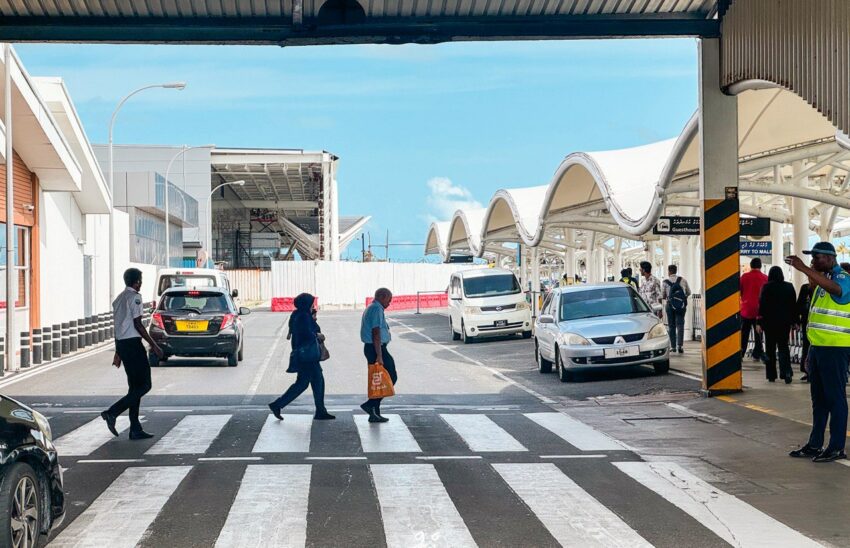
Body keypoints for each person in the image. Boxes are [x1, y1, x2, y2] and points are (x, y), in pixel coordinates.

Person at [787, 242, 850, 462]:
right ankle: (815, 444)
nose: (814, 261)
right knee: (819, 400)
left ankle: (836, 446)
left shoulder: (843, 278)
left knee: (835, 399)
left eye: (817, 257)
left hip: (836, 348)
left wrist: (804, 268)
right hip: (819, 349)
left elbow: (839, 291)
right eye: (812, 258)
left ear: (831, 258)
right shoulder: (822, 285)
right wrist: (809, 353)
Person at [101, 268, 163, 440]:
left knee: (134, 388)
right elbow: (138, 324)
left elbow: (118, 326)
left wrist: (118, 351)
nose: (141, 283)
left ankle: (135, 428)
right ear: (137, 282)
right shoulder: (135, 297)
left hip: (123, 344)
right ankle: (112, 412)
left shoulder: (119, 299)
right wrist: (154, 345)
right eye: (140, 280)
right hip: (133, 345)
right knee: (145, 386)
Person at [268, 293, 334, 421]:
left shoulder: (297, 314)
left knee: (316, 380)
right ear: (307, 304)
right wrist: (317, 335)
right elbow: (307, 333)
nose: (313, 305)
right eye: (311, 303)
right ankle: (278, 404)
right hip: (307, 355)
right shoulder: (304, 316)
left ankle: (320, 410)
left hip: (304, 354)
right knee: (305, 383)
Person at [360, 288, 395, 423]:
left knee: (379, 381)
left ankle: (374, 412)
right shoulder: (376, 309)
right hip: (376, 348)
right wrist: (379, 355)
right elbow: (376, 332)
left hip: (375, 348)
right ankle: (370, 404)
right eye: (389, 300)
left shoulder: (374, 307)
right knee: (390, 376)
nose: (389, 303)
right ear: (382, 296)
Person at [757, 266, 797, 383]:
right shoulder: (789, 287)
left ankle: (771, 375)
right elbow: (793, 306)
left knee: (770, 348)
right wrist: (794, 321)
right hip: (784, 323)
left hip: (769, 323)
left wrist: (759, 322)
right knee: (783, 347)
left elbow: (762, 306)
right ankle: (786, 372)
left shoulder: (766, 287)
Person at [740, 258, 768, 362]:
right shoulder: (765, 278)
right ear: (760, 266)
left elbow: (740, 291)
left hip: (746, 310)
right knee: (758, 333)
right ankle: (757, 353)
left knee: (744, 333)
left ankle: (741, 352)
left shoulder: (744, 277)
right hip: (759, 311)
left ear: (751, 265)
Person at [662, 265, 691, 354]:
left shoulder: (665, 282)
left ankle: (673, 347)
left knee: (671, 326)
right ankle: (680, 346)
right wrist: (680, 299)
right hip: (681, 306)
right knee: (680, 324)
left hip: (670, 305)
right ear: (676, 270)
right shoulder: (683, 280)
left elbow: (663, 295)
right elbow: (688, 292)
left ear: (669, 271)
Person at [796, 281, 814, 381]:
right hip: (807, 322)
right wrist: (797, 320)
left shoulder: (824, 287)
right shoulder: (805, 288)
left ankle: (810, 371)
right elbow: (799, 304)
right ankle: (807, 371)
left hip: (813, 322)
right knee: (807, 346)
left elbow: (799, 305)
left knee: (809, 347)